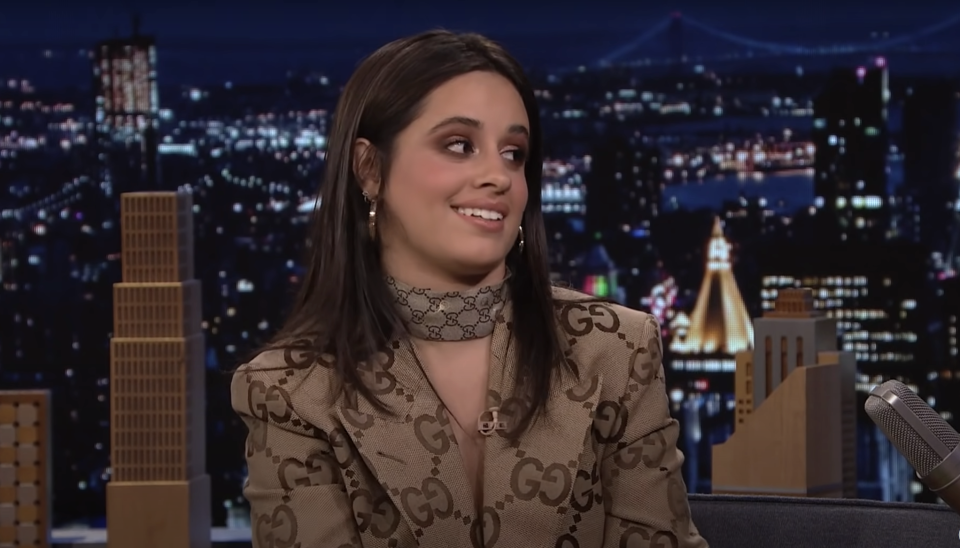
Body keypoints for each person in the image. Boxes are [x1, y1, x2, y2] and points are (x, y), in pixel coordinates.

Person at [232, 29, 708, 548]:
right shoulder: (290, 390)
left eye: (513, 152)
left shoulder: (614, 349)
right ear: (370, 169)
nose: (498, 176)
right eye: (460, 145)